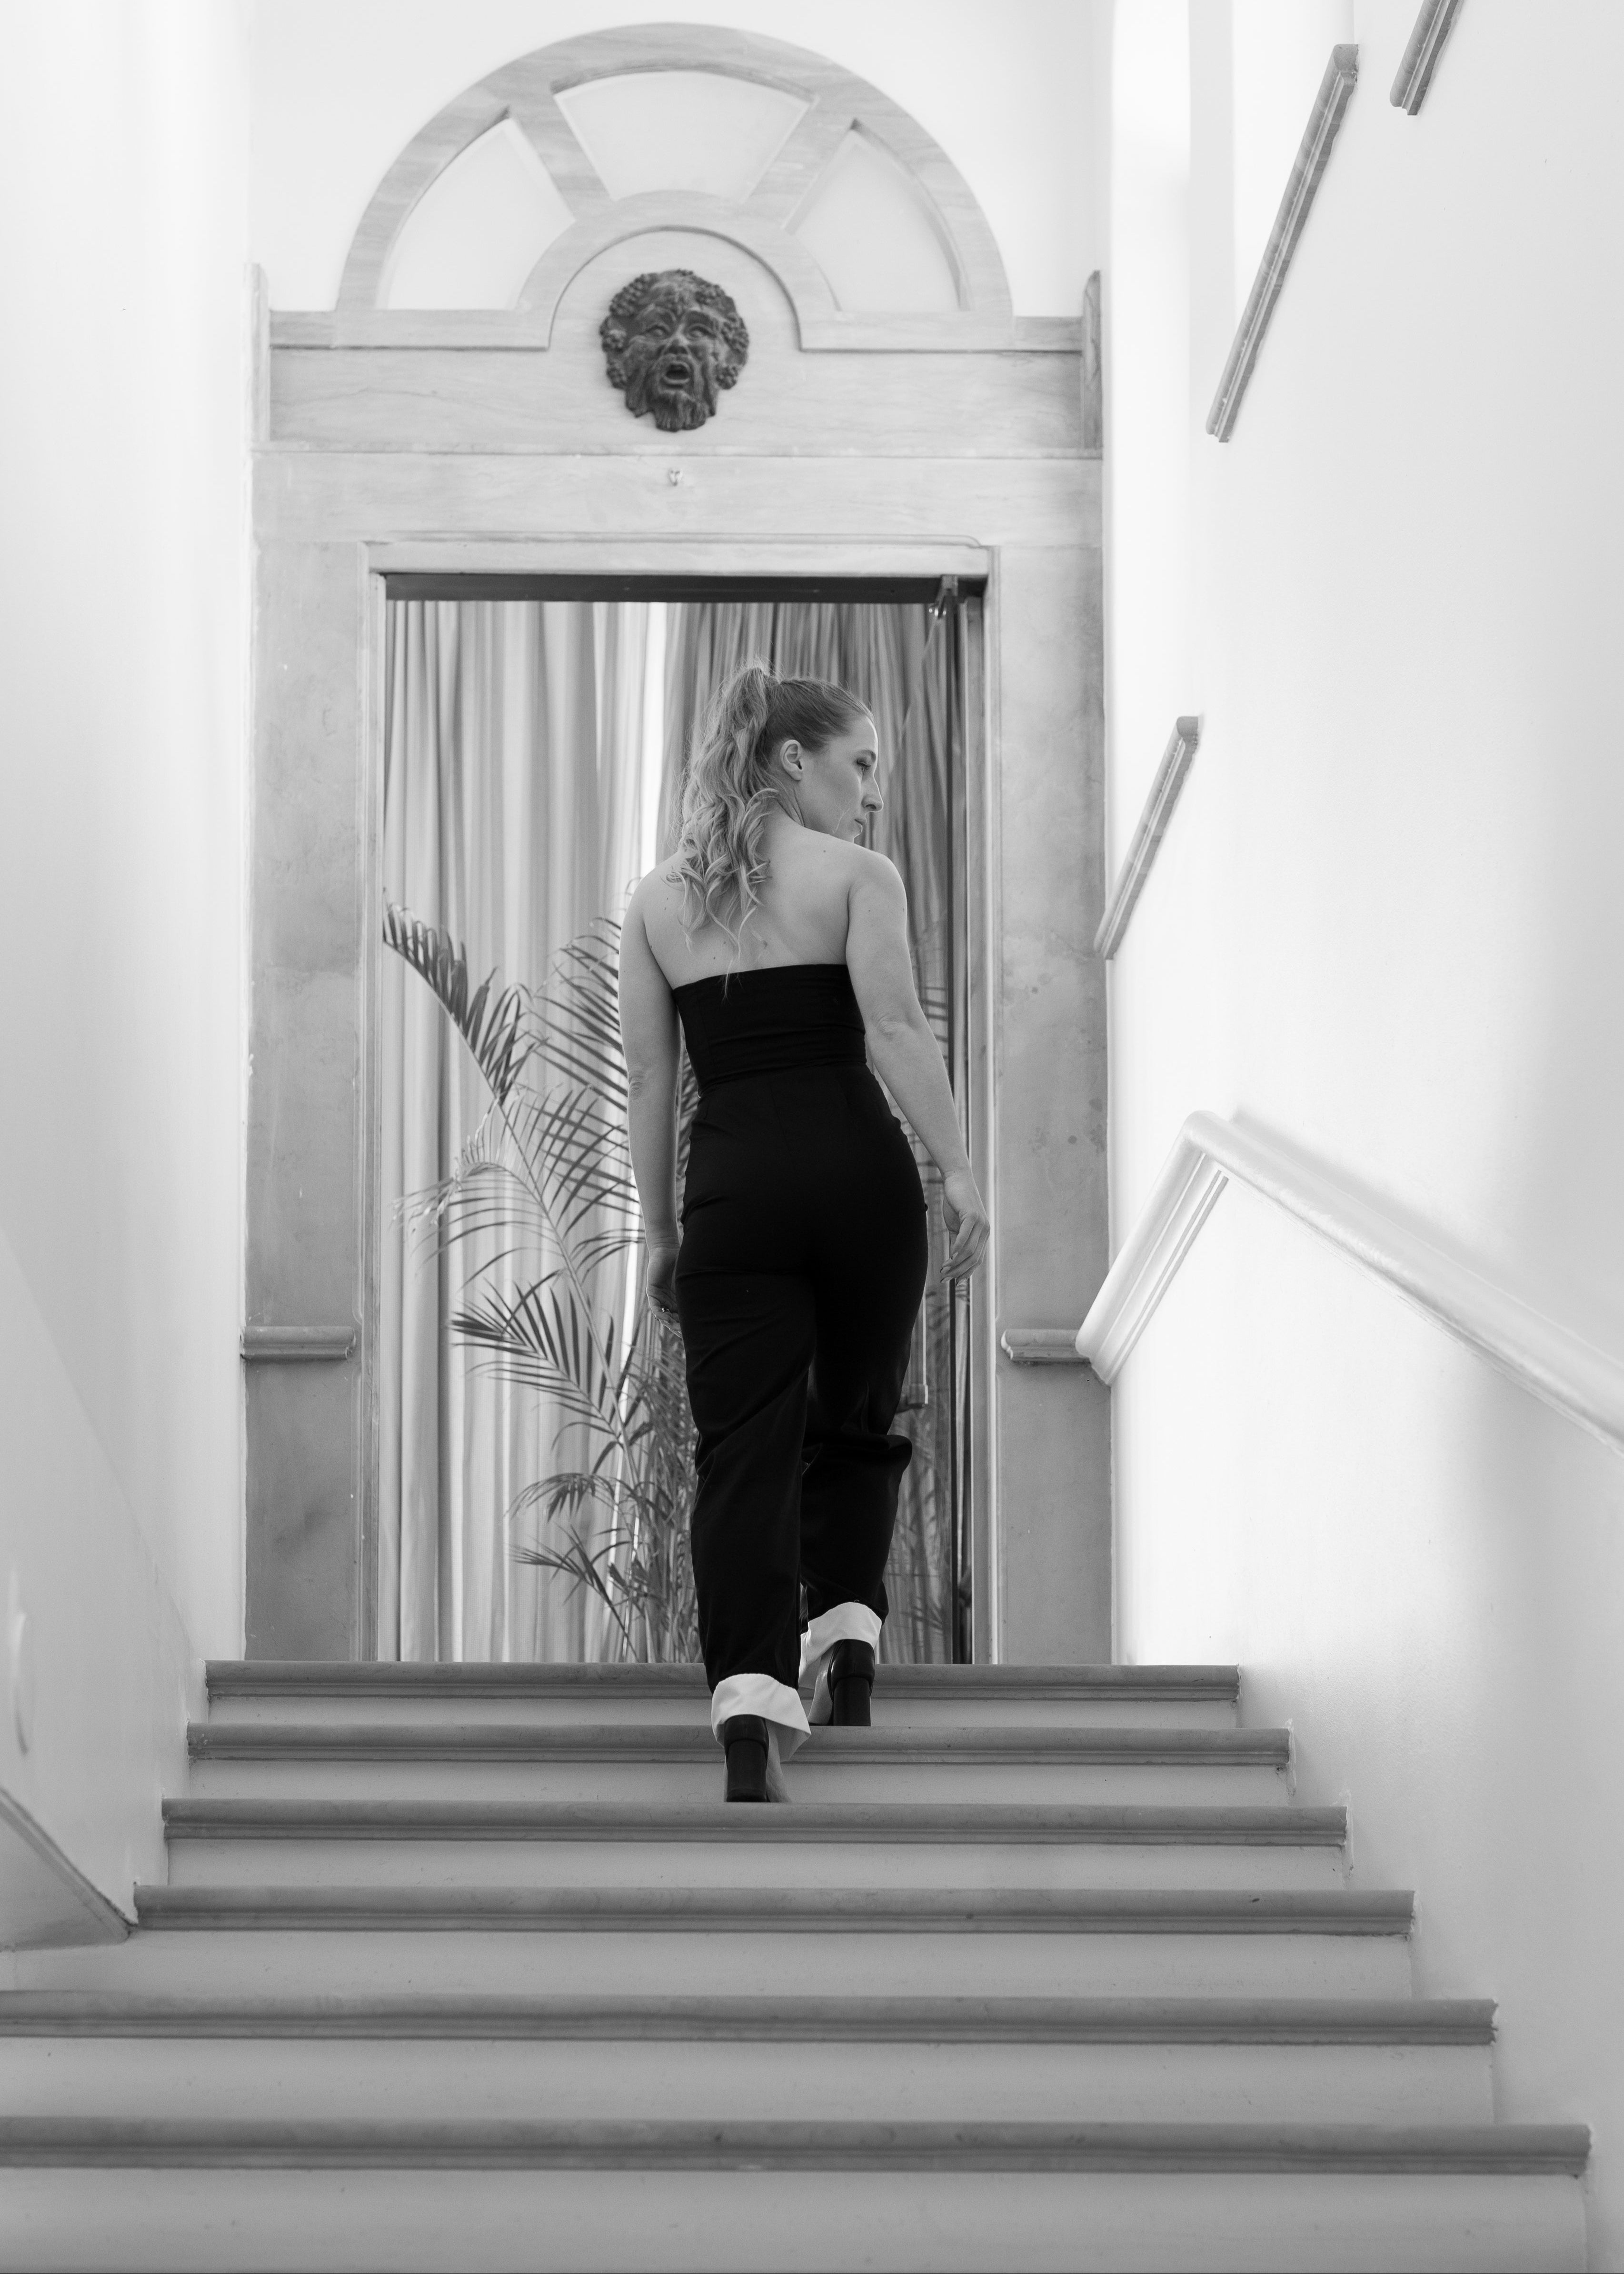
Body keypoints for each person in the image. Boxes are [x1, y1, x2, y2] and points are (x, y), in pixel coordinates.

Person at [619, 663, 991, 1801]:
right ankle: (847, 1641)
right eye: (859, 765)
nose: (872, 793)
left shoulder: (657, 901)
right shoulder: (857, 877)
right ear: (793, 760)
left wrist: (662, 1238)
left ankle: (748, 1708)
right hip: (858, 1177)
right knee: (860, 1419)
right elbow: (891, 1027)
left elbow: (647, 1087)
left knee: (744, 1454)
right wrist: (962, 1170)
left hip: (733, 1189)